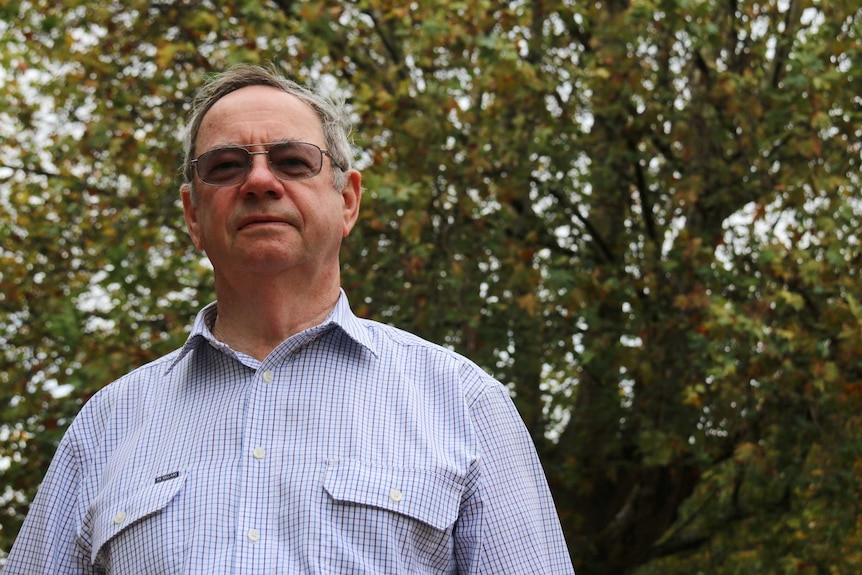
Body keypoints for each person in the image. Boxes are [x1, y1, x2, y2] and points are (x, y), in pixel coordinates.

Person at [3, 64, 576, 574]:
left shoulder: (463, 403)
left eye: (292, 161)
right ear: (193, 216)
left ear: (347, 201)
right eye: (225, 166)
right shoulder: (107, 426)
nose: (258, 181)